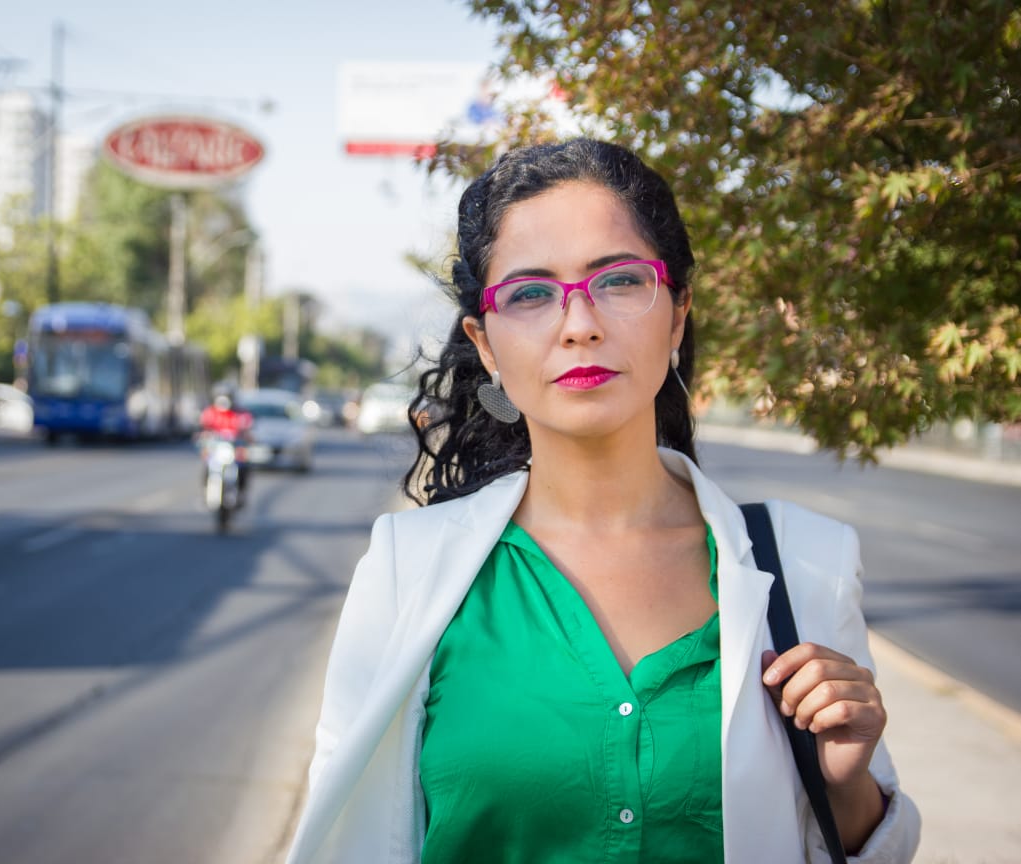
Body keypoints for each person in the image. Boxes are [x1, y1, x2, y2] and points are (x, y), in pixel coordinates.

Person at [285, 139, 921, 863]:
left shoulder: (808, 562)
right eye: (528, 293)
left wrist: (844, 784)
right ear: (484, 344)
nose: (578, 323)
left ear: (676, 315)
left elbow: (861, 845)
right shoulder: (406, 569)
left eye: (617, 281)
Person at [199, 389, 253, 499]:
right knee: (207, 464)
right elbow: (203, 429)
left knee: (243, 467)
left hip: (233, 450)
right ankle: (206, 490)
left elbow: (248, 432)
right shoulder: (210, 412)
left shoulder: (241, 414)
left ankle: (241, 492)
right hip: (216, 449)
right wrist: (203, 437)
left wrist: (247, 439)